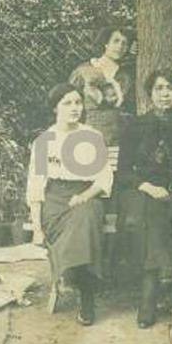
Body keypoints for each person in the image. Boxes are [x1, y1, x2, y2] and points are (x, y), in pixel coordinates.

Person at [27, 84, 113, 326]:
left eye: (78, 102)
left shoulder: (92, 136)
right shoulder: (45, 141)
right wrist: (37, 227)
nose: (75, 108)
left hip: (87, 195)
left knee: (86, 215)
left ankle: (84, 290)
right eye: (67, 103)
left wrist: (85, 196)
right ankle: (84, 281)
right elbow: (36, 187)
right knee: (78, 224)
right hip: (55, 201)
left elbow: (104, 178)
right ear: (55, 108)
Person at [115, 68, 172, 328]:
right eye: (159, 88)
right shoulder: (135, 126)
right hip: (141, 190)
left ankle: (157, 294)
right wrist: (147, 186)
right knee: (153, 213)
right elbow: (123, 171)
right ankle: (163, 294)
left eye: (170, 88)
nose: (164, 94)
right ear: (150, 94)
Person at [69, 26, 135, 145]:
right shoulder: (84, 70)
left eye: (124, 43)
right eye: (116, 41)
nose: (120, 47)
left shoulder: (125, 75)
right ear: (106, 43)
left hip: (119, 136)